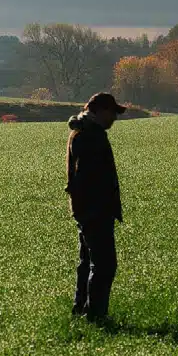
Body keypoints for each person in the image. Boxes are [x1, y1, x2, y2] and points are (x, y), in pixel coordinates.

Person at [66, 92, 126, 322]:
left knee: (87, 263)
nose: (115, 118)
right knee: (104, 265)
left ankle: (80, 308)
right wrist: (99, 207)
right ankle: (96, 314)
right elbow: (86, 177)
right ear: (100, 111)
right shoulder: (90, 135)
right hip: (95, 210)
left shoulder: (83, 131)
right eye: (113, 113)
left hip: (87, 209)